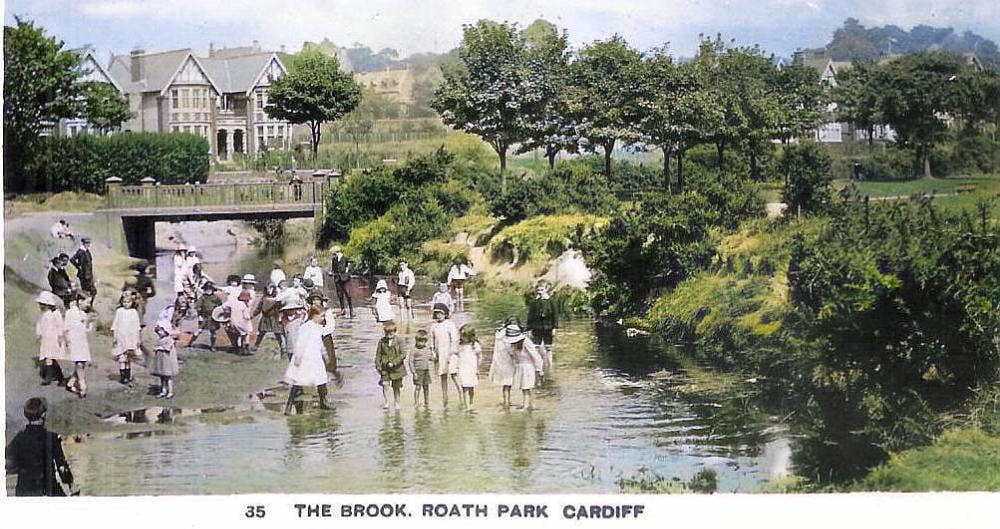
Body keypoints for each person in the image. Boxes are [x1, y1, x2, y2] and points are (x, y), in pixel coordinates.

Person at [5, 398, 74, 496]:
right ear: (43, 415)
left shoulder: (19, 438)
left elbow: (7, 462)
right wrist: (71, 485)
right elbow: (62, 468)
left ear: (26, 415)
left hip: (24, 491)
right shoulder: (52, 438)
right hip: (48, 490)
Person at [282, 306, 333, 414]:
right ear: (314, 315)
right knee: (298, 380)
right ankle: (289, 405)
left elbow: (320, 344)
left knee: (321, 379)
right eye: (321, 316)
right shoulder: (306, 327)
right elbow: (300, 342)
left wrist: (325, 356)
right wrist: (298, 357)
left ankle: (323, 402)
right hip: (306, 356)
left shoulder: (318, 327)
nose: (323, 318)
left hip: (316, 356)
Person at [505, 323, 544, 410]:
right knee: (524, 387)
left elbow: (536, 356)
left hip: (528, 367)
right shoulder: (514, 344)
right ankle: (528, 404)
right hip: (521, 367)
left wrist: (539, 369)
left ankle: (526, 406)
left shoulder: (526, 342)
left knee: (527, 387)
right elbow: (514, 356)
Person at [63, 293, 93, 398]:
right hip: (74, 342)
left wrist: (88, 322)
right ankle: (82, 384)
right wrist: (67, 342)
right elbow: (66, 328)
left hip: (82, 342)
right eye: (87, 302)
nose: (88, 305)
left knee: (82, 363)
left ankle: (70, 383)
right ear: (80, 301)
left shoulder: (84, 314)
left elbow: (86, 330)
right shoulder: (70, 313)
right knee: (79, 364)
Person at [430, 303, 460, 407]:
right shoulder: (434, 326)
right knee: (442, 376)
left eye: (441, 313)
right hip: (440, 354)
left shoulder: (450, 324)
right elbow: (432, 341)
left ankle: (461, 394)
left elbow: (455, 339)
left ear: (445, 314)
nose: (439, 315)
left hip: (450, 353)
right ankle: (445, 398)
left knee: (453, 374)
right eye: (437, 313)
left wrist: (452, 353)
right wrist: (433, 353)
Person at [526, 279, 558, 376]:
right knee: (536, 347)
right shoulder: (533, 302)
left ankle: (550, 365)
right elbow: (530, 316)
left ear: (546, 289)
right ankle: (538, 365)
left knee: (548, 347)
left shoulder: (551, 301)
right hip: (536, 327)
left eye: (542, 290)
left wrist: (555, 327)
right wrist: (529, 329)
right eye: (539, 290)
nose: (540, 292)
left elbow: (555, 315)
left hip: (548, 327)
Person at [35, 291, 67, 387]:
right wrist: (39, 333)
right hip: (46, 339)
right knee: (49, 358)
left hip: (53, 339)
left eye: (43, 304)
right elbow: (40, 325)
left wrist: (60, 336)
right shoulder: (44, 315)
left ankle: (52, 378)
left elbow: (60, 326)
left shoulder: (55, 314)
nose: (41, 306)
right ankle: (54, 377)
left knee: (50, 357)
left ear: (48, 304)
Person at [111, 292, 142, 386]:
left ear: (132, 302)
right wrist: (115, 336)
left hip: (131, 337)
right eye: (124, 302)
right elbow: (115, 325)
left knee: (128, 357)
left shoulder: (133, 312)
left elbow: (137, 326)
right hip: (121, 337)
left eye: (128, 302)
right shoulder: (120, 311)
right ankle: (123, 376)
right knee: (122, 357)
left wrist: (138, 339)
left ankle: (128, 376)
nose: (126, 304)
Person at [375, 320, 406, 411]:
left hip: (397, 368)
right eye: (387, 332)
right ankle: (387, 402)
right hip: (384, 368)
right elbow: (378, 354)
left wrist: (394, 362)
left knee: (396, 387)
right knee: (385, 385)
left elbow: (403, 354)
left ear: (395, 331)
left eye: (391, 332)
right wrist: (377, 365)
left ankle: (397, 403)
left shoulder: (400, 340)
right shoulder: (382, 341)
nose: (389, 334)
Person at [489, 318, 519, 407]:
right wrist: (516, 358)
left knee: (505, 383)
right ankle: (507, 402)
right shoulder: (508, 334)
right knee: (508, 383)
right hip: (507, 361)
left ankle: (506, 401)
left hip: (499, 361)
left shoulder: (499, 333)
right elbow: (510, 350)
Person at [252, 283, 285, 356]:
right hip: (265, 318)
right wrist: (253, 315)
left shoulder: (277, 299)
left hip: (274, 318)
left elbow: (280, 309)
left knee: (278, 334)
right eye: (268, 288)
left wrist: (280, 316)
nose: (269, 290)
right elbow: (259, 308)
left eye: (271, 288)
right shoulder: (264, 298)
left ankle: (283, 349)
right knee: (261, 333)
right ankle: (256, 346)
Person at [456, 324, 481, 410]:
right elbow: (457, 356)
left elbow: (479, 357)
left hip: (472, 369)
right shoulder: (459, 345)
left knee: (471, 387)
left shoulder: (475, 345)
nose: (462, 338)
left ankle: (471, 402)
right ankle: (467, 406)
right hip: (463, 368)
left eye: (464, 336)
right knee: (464, 387)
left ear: (470, 336)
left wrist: (478, 368)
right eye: (461, 336)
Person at [191, 282, 223, 351]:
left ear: (213, 289)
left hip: (213, 317)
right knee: (198, 330)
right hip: (204, 316)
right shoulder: (203, 297)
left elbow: (220, 306)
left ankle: (213, 346)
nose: (208, 290)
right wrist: (199, 315)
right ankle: (190, 343)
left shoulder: (216, 297)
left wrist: (219, 315)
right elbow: (197, 306)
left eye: (210, 289)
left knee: (213, 332)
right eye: (207, 289)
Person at [150, 325, 179, 399]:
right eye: (158, 331)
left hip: (167, 361)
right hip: (161, 361)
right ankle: (163, 391)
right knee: (162, 377)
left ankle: (170, 392)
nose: (159, 333)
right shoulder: (160, 339)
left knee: (168, 377)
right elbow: (155, 347)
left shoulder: (169, 339)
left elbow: (167, 348)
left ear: (166, 331)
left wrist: (159, 348)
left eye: (160, 331)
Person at [409, 329, 432, 408]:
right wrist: (413, 372)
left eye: (423, 341)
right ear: (416, 340)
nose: (421, 343)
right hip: (418, 370)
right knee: (418, 387)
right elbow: (410, 362)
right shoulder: (414, 349)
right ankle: (416, 402)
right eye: (419, 341)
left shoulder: (426, 348)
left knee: (426, 386)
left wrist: (432, 357)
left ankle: (427, 402)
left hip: (426, 370)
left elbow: (429, 357)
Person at [279, 295, 307, 361]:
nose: (291, 311)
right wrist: (283, 346)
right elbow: (283, 334)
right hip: (290, 347)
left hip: (300, 347)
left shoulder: (300, 319)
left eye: (293, 309)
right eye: (288, 309)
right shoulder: (284, 321)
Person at [327, 246, 354, 317]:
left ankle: (351, 310)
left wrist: (347, 271)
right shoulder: (334, 259)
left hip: (345, 279)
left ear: (337, 252)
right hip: (337, 279)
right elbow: (333, 270)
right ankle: (343, 310)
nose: (333, 255)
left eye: (333, 253)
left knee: (348, 294)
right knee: (339, 294)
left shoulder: (345, 258)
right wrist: (331, 273)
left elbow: (350, 265)